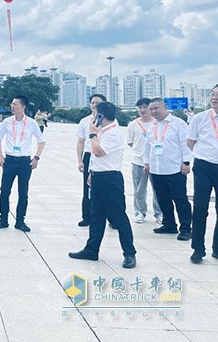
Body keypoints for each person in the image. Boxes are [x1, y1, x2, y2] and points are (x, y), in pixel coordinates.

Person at [69, 101, 137, 268]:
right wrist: (91, 173)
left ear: (100, 116)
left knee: (118, 217)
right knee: (96, 216)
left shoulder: (113, 132)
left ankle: (129, 253)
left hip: (110, 179)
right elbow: (94, 156)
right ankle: (91, 250)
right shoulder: (103, 131)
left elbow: (98, 152)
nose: (93, 117)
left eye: (95, 114)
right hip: (98, 177)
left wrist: (92, 135)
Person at [0, 95, 45, 232]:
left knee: (23, 193)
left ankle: (20, 221)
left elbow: (41, 141)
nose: (12, 106)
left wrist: (36, 158)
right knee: (4, 191)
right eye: (12, 104)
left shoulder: (32, 123)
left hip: (24, 162)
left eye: (15, 104)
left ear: (23, 106)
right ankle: (3, 219)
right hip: (9, 161)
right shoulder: (7, 122)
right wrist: (0, 155)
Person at [143, 98, 192, 241]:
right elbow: (148, 146)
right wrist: (146, 162)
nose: (153, 112)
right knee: (163, 199)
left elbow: (185, 144)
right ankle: (169, 224)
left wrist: (186, 162)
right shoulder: (151, 125)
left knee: (180, 200)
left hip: (175, 169)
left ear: (165, 107)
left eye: (156, 108)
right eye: (151, 109)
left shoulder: (178, 124)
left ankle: (186, 228)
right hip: (157, 169)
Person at [186, 85, 218, 263]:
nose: (214, 98)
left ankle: (217, 248)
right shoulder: (200, 118)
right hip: (204, 167)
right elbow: (190, 142)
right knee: (200, 208)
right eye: (213, 95)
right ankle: (198, 249)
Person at [126, 98, 163, 224]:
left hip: (156, 161)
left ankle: (159, 213)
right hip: (138, 161)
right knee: (139, 189)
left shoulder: (157, 123)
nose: (142, 110)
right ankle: (140, 212)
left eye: (145, 107)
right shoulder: (133, 124)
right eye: (139, 108)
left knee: (158, 189)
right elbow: (130, 142)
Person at [76, 94, 106, 226]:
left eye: (98, 103)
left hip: (103, 155)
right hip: (89, 155)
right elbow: (80, 142)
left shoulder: (108, 121)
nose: (95, 105)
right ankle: (87, 216)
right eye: (93, 103)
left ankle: (108, 217)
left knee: (103, 188)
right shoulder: (84, 121)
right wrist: (80, 160)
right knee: (87, 187)